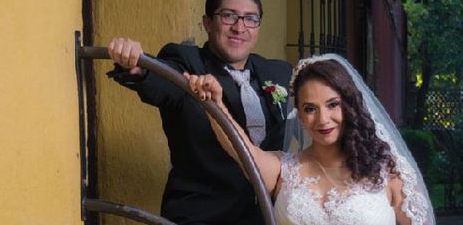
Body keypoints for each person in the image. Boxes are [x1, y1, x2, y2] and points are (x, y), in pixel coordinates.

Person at [108, 0, 292, 225]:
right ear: (207, 23)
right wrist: (134, 65)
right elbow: (160, 80)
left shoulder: (278, 71)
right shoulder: (187, 61)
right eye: (228, 16)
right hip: (203, 215)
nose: (240, 27)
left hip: (268, 216)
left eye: (250, 18)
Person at [186, 53, 435, 225]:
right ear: (300, 116)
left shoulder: (387, 169)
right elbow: (239, 148)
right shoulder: (284, 170)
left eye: (333, 105)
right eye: (310, 108)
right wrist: (215, 105)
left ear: (350, 106)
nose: (323, 119)